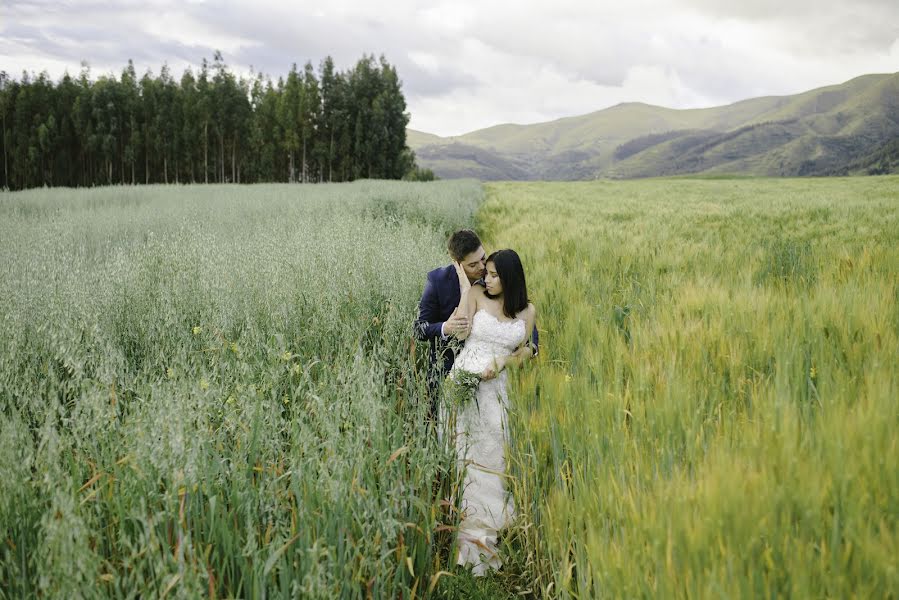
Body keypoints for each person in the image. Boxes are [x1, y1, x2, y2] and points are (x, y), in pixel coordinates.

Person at [446, 249, 537, 576]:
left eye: (496, 275)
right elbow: (459, 331)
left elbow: (526, 350)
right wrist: (460, 298)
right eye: (487, 272)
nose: (488, 278)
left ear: (511, 277)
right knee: (464, 450)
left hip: (497, 388)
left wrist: (502, 362)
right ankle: (463, 526)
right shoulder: (475, 294)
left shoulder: (527, 311)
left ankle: (490, 525)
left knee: (493, 453)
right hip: (466, 379)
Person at [415, 231, 537, 403]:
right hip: (449, 369)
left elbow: (524, 329)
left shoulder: (495, 270)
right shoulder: (437, 280)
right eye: (473, 265)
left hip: (497, 377)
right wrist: (446, 327)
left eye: (483, 258)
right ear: (458, 264)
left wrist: (530, 348)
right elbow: (419, 328)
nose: (481, 268)